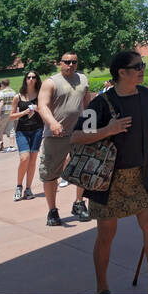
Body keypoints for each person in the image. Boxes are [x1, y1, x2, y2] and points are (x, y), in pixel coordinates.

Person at [71, 50, 148, 294]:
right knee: (107, 233)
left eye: (142, 64)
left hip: (142, 173)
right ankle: (102, 287)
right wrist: (108, 130)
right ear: (121, 72)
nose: (142, 69)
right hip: (107, 180)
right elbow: (76, 136)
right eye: (136, 66)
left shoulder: (147, 96)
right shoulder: (101, 103)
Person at [38, 52, 92, 226]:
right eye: (67, 62)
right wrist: (52, 122)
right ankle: (52, 210)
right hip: (56, 135)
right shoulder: (51, 82)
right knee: (50, 174)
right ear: (59, 63)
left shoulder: (83, 79)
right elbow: (42, 105)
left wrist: (90, 128)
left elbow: (87, 104)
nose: (70, 65)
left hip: (78, 134)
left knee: (83, 169)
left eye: (74, 62)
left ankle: (78, 203)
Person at [12, 70, 44, 200]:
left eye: (33, 77)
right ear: (25, 79)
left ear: (36, 79)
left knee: (32, 160)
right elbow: (11, 116)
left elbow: (47, 110)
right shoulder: (18, 97)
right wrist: (24, 112)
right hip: (22, 130)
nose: (31, 79)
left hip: (37, 129)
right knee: (24, 158)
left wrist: (38, 109)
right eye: (28, 77)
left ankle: (28, 189)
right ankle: (19, 186)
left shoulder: (41, 95)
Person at [0, 80, 18, 151]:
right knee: (11, 129)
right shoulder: (13, 92)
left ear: (2, 84)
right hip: (12, 112)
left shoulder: (2, 92)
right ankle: (12, 146)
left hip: (4, 112)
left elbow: (1, 103)